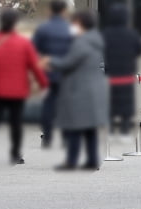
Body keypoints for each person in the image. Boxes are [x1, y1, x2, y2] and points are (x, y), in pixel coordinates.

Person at [0, 9, 48, 165]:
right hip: (17, 90)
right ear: (16, 24)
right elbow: (35, 67)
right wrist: (44, 84)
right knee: (16, 122)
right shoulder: (24, 43)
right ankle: (15, 153)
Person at [45, 10, 109, 171]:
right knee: (90, 128)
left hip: (80, 90)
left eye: (75, 23)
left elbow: (68, 63)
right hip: (94, 88)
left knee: (74, 126)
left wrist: (49, 61)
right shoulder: (97, 39)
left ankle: (71, 161)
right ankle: (93, 161)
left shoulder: (81, 42)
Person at [32, 0, 72, 148]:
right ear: (64, 11)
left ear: (50, 11)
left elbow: (33, 51)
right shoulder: (71, 28)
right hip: (67, 73)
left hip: (47, 73)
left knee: (48, 104)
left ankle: (47, 137)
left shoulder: (43, 28)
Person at [102, 3, 141, 139]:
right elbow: (140, 49)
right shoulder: (131, 33)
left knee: (109, 102)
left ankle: (109, 131)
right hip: (126, 74)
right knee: (126, 102)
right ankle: (124, 130)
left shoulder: (105, 34)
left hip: (110, 74)